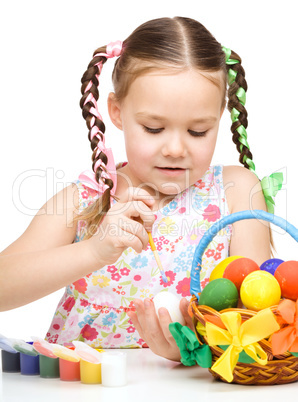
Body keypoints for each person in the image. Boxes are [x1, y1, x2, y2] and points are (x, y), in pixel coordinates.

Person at [0, 16, 282, 362]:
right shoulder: (83, 200)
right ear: (117, 112)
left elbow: (261, 310)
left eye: (197, 131)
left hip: (198, 390)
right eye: (153, 128)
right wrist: (94, 251)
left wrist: (195, 348)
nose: (176, 149)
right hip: (82, 387)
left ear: (219, 116)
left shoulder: (236, 191)